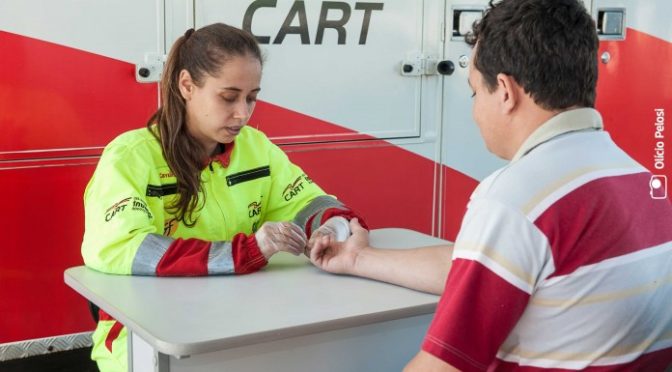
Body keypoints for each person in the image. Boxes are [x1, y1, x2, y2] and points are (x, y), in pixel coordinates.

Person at [310, 0, 672, 370]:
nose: (474, 110)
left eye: (474, 92)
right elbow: (484, 269)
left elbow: (444, 364)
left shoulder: (517, 199)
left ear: (504, 91)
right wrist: (357, 258)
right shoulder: (642, 182)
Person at [81, 23, 365, 372]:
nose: (242, 114)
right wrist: (247, 252)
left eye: (252, 97)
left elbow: (308, 201)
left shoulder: (256, 148)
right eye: (228, 97)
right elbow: (120, 248)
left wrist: (332, 228)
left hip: (236, 323)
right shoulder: (130, 156)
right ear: (186, 85)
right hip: (146, 339)